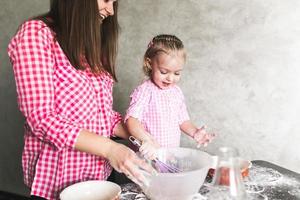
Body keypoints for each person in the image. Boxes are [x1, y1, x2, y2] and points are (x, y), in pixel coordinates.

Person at [7, 0, 150, 199]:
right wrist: (110, 148)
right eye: (107, 0)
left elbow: (102, 116)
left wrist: (141, 134)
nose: (110, 11)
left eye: (114, 3)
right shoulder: (36, 35)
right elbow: (42, 119)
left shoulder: (91, 45)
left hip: (102, 178)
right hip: (56, 184)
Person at [125, 34, 215, 158]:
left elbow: (182, 120)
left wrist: (195, 132)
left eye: (177, 73)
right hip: (148, 156)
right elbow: (132, 120)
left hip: (169, 156)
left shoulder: (176, 92)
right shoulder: (145, 91)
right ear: (150, 63)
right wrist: (146, 140)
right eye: (164, 72)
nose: (170, 78)